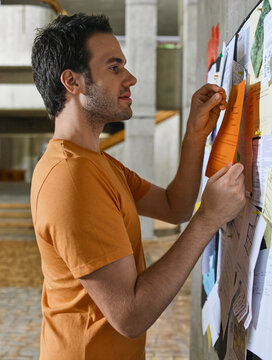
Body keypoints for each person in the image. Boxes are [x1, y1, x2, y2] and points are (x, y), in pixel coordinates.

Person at [31, 13, 246, 360]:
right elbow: (130, 315)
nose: (131, 77)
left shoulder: (95, 162)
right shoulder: (71, 177)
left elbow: (174, 207)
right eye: (114, 67)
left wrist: (194, 136)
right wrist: (207, 219)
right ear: (72, 81)